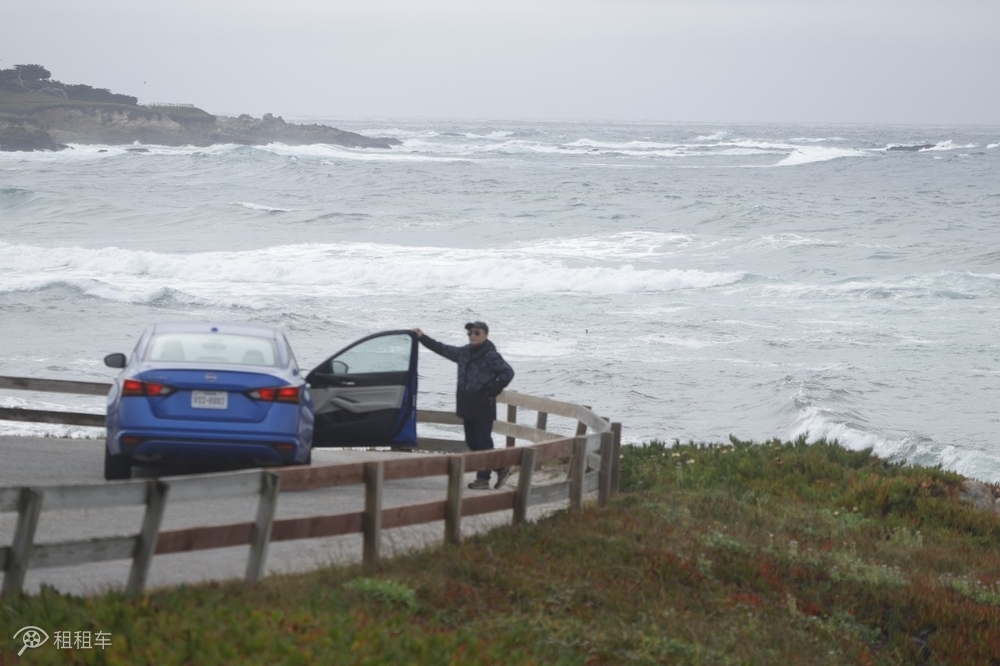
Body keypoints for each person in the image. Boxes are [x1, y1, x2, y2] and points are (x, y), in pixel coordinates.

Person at [412, 321, 515, 490]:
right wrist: (422, 337)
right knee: (472, 442)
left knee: (483, 443)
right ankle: (501, 467)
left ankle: (483, 479)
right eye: (470, 333)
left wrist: (491, 392)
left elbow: (507, 373)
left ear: (485, 335)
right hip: (467, 405)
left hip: (483, 406)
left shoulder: (491, 355)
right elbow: (441, 348)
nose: (472, 336)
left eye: (477, 332)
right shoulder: (464, 353)